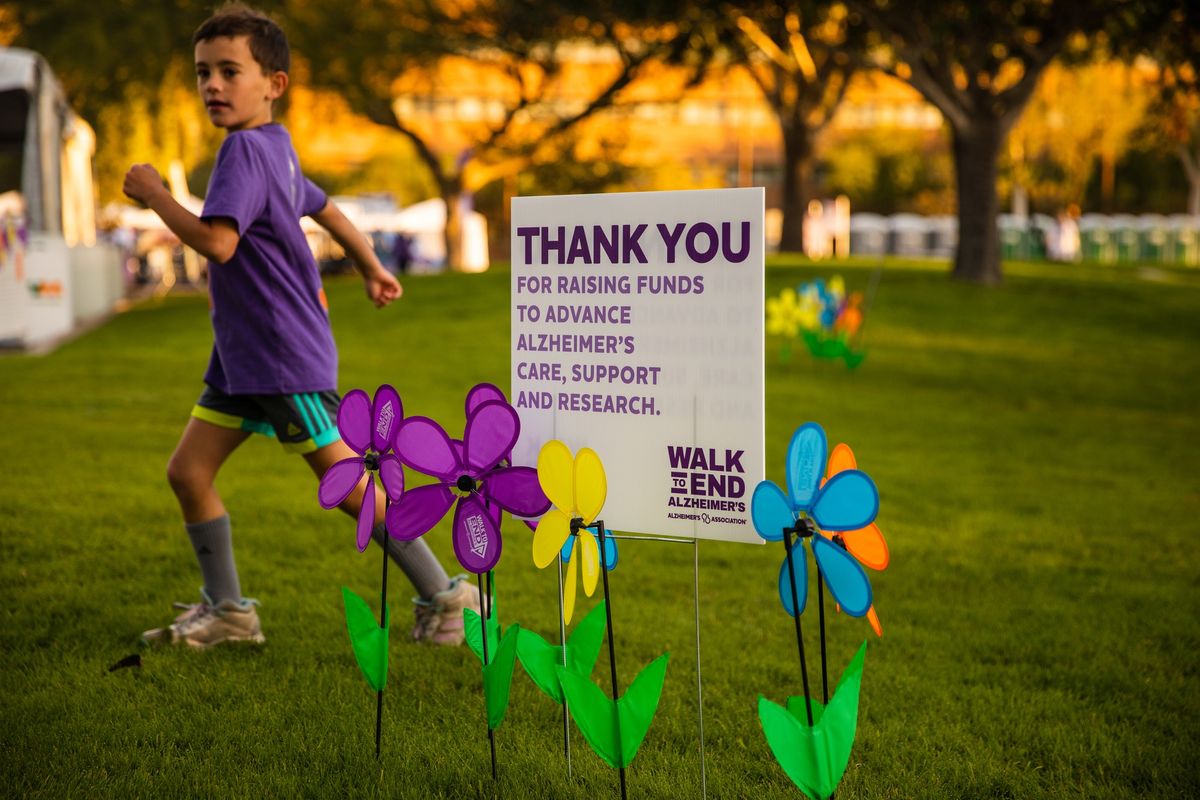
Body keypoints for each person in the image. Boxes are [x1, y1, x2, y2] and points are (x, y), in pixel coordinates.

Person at [123, 4, 478, 649]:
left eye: (230, 71)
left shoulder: (244, 153)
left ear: (274, 84)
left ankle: (448, 597)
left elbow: (218, 243)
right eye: (203, 73)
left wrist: (153, 194)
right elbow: (330, 210)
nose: (212, 86)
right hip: (241, 359)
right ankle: (229, 612)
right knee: (188, 474)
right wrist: (371, 267)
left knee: (346, 485)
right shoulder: (275, 150)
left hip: (281, 356)